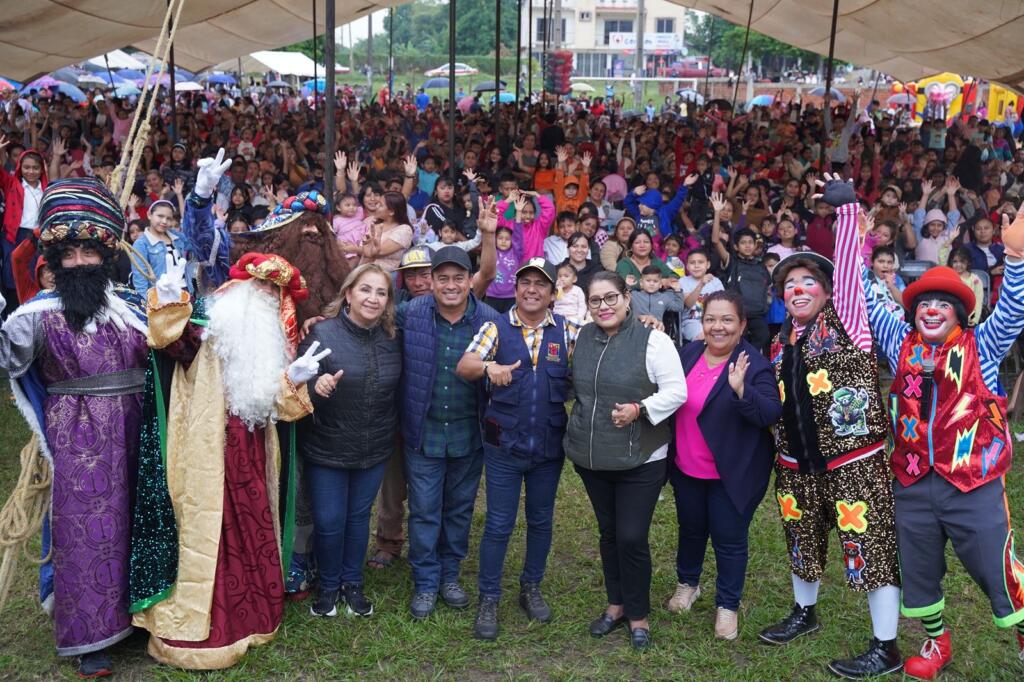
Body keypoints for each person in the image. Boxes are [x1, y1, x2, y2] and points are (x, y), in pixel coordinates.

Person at [134, 252, 328, 669]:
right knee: (205, 531)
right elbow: (170, 343)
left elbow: (275, 404)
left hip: (254, 456)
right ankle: (197, 628)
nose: (262, 294)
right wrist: (170, 302)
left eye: (272, 290)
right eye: (257, 284)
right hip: (203, 453)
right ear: (238, 284)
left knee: (253, 524)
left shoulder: (272, 340)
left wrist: (291, 381)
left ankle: (253, 616)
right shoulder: (210, 324)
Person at [858, 196, 1024, 679]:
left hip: (972, 480)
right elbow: (863, 291)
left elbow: (1013, 312)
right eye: (924, 303)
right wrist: (856, 234)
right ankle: (936, 642)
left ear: (959, 313)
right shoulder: (897, 341)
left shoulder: (982, 346)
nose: (932, 310)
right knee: (918, 570)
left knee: (997, 568)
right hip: (912, 481)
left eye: (942, 304)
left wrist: (1014, 261)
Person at [0, 177, 148, 678]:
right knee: (87, 532)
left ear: (106, 256)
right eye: (70, 252)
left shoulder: (130, 309)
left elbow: (174, 350)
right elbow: (8, 357)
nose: (81, 261)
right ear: (55, 259)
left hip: (137, 430)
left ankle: (139, 616)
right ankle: (89, 638)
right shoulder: (34, 317)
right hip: (77, 438)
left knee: (137, 521)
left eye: (90, 251)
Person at [759, 176, 902, 679]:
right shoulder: (781, 342)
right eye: (789, 285)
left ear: (826, 291)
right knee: (802, 539)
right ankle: (805, 612)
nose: (798, 290)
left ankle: (886, 646)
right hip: (796, 463)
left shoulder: (848, 321)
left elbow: (847, 273)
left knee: (872, 547)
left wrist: (844, 214)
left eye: (808, 283)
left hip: (853, 464)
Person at [456, 258, 582, 640]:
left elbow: (606, 343)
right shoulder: (495, 326)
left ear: (552, 294)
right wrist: (487, 368)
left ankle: (531, 587)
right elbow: (465, 365)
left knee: (541, 520)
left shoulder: (569, 331)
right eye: (525, 282)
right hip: (504, 447)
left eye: (540, 285)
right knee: (498, 523)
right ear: (515, 290)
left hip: (547, 447)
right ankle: (489, 597)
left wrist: (645, 323)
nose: (532, 289)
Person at [565, 271, 686, 650]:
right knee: (609, 533)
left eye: (610, 297)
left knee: (631, 537)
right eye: (595, 300)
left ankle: (638, 615)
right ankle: (616, 605)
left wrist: (640, 408)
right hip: (592, 456)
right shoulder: (583, 336)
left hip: (641, 457)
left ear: (627, 297)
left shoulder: (654, 341)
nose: (603, 306)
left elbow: (677, 391)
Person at [667, 290, 782, 640]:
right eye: (711, 319)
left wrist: (741, 391)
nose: (718, 327)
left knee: (729, 540)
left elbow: (770, 412)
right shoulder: (688, 354)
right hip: (687, 466)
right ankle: (688, 584)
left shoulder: (754, 364)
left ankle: (727, 605)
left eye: (727, 319)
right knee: (690, 529)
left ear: (742, 324)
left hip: (731, 473)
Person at [398, 243, 501, 620]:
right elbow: (367, 318)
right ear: (432, 281)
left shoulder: (489, 318)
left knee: (458, 510)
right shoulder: (412, 313)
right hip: (423, 434)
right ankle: (426, 581)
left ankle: (450, 574)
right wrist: (321, 319)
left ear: (469, 280)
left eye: (459, 277)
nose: (451, 285)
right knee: (424, 511)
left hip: (468, 434)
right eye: (443, 278)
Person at [300, 264, 402, 618]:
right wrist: (317, 386)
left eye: (381, 292)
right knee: (329, 521)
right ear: (348, 293)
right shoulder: (322, 335)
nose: (372, 298)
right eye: (365, 290)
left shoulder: (393, 336)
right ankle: (328, 586)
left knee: (359, 519)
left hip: (374, 447)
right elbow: (295, 384)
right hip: (327, 446)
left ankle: (352, 583)